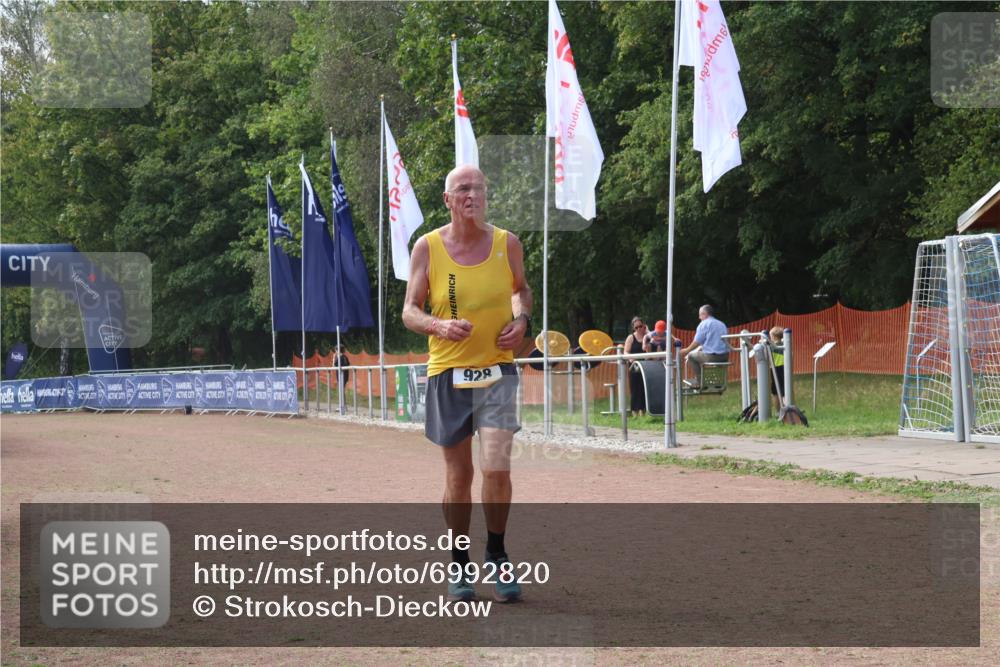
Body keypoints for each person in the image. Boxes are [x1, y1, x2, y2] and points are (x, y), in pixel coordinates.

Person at [402, 164, 532, 603]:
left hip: (497, 369)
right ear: (448, 199)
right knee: (459, 476)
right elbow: (409, 311)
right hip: (448, 374)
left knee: (497, 467)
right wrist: (437, 326)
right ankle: (459, 563)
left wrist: (522, 318)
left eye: (479, 187)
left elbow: (521, 289)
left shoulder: (506, 243)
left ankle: (496, 552)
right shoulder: (428, 247)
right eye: (463, 188)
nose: (472, 194)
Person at [678, 304, 729, 388]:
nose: (699, 317)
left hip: (713, 356)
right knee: (702, 353)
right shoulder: (722, 324)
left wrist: (687, 350)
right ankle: (718, 382)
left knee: (691, 356)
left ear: (705, 314)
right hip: (725, 356)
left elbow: (697, 341)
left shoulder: (704, 324)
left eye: (700, 315)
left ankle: (700, 382)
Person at [624, 316, 647, 417]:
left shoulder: (648, 336)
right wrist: (630, 358)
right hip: (634, 366)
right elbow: (626, 351)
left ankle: (643, 410)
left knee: (644, 388)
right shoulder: (630, 337)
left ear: (644, 326)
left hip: (646, 366)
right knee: (635, 388)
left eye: (640, 326)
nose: (638, 329)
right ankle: (634, 411)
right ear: (633, 328)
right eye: (636, 327)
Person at [768, 326, 786, 413]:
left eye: (770, 336)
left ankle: (778, 411)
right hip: (784, 368)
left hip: (775, 368)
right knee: (784, 390)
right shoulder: (785, 343)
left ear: (774, 336)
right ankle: (786, 409)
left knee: (775, 392)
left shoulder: (772, 346)